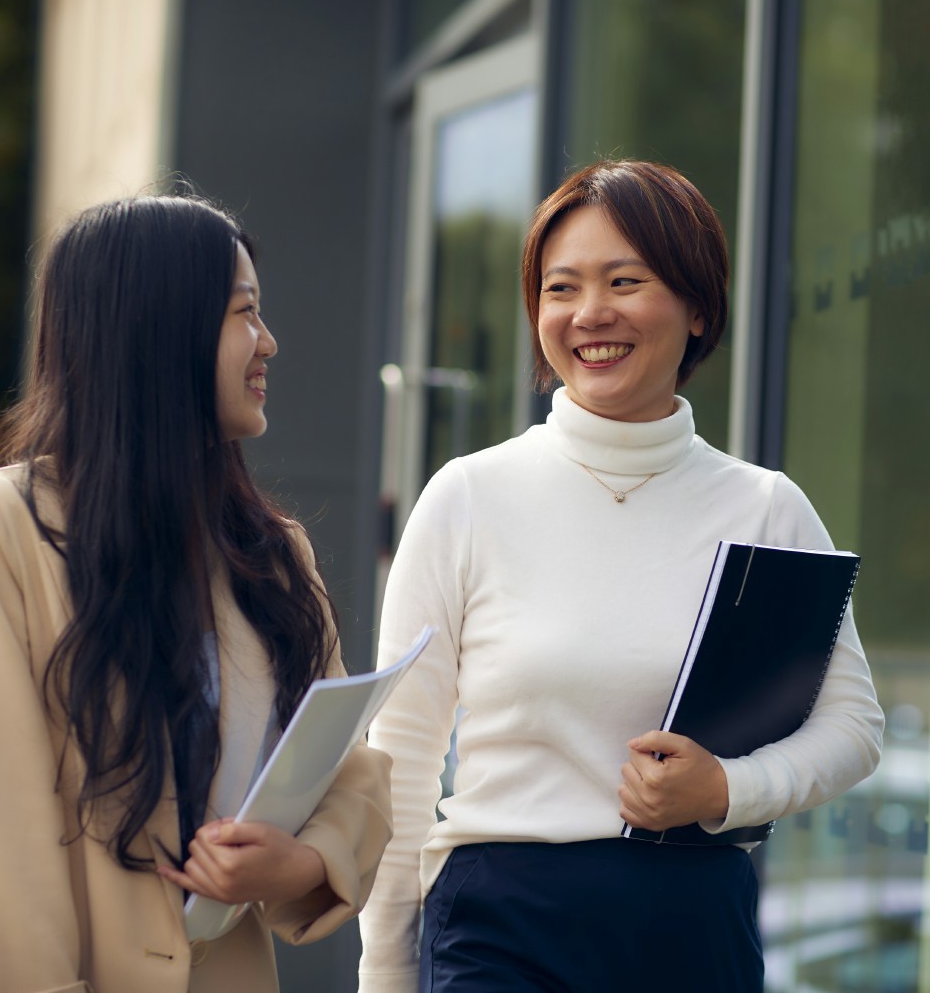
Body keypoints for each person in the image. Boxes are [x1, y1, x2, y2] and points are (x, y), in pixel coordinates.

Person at [357, 160, 885, 992]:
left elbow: (854, 726)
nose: (589, 313)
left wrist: (726, 788)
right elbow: (402, 758)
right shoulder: (469, 495)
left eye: (625, 281)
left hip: (691, 929)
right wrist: (384, 973)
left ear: (697, 307)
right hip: (499, 928)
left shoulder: (764, 509)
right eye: (560, 288)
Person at [0, 194, 393, 991]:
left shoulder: (273, 557)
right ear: (157, 331)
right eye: (244, 314)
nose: (268, 342)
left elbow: (351, 768)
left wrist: (302, 861)